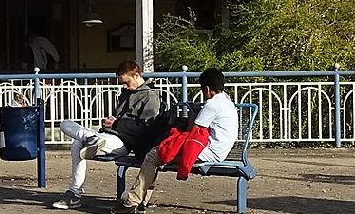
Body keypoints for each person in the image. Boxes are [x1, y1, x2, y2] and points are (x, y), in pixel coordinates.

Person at [51, 61, 169, 210]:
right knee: (65, 124)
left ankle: (74, 193)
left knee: (76, 144)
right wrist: (109, 122)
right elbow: (117, 119)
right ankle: (90, 138)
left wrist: (116, 123)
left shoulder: (150, 97)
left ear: (137, 75)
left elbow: (145, 129)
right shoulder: (126, 93)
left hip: (124, 142)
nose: (124, 86)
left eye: (126, 82)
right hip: (107, 135)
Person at [117, 69, 238, 213]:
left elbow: (194, 129)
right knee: (156, 155)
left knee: (153, 156)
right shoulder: (226, 101)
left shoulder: (212, 105)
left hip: (207, 152)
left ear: (206, 89)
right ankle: (140, 200)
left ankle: (132, 202)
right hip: (219, 149)